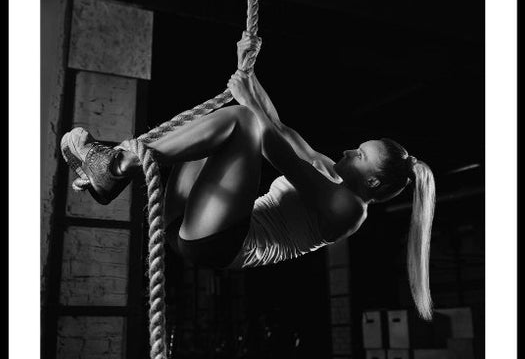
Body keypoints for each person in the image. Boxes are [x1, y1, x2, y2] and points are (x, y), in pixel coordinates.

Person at [61, 35, 436, 320]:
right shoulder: (327, 167)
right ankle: (115, 169)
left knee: (241, 121)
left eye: (361, 155)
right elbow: (280, 128)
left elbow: (278, 152)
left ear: (372, 183)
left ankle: (118, 168)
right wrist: (248, 71)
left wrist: (247, 99)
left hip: (220, 242)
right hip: (191, 222)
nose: (350, 151)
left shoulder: (349, 209)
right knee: (210, 129)